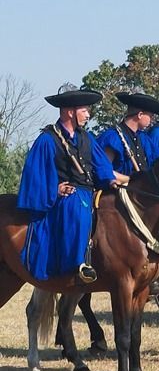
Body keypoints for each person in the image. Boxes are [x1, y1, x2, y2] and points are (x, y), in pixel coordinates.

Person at [17, 84, 123, 283]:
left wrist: (110, 180)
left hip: (90, 190)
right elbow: (35, 177)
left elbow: (101, 166)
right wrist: (54, 189)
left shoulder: (87, 138)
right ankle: (79, 263)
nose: (88, 115)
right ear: (69, 111)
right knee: (76, 206)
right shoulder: (47, 140)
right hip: (67, 197)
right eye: (84, 110)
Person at [97, 92, 159, 177]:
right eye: (150, 116)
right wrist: (128, 180)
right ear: (140, 115)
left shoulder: (145, 139)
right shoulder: (112, 137)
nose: (152, 120)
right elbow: (103, 169)